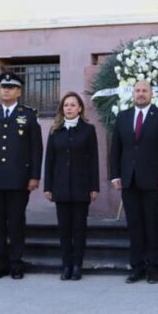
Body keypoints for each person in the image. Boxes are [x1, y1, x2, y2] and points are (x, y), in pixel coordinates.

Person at [0, 73, 43, 280]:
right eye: (3, 87)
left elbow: (36, 149)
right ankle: (0, 264)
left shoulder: (29, 115)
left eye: (11, 87)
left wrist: (34, 176)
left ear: (19, 92)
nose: (6, 90)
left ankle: (16, 263)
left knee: (15, 222)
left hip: (18, 179)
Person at [109, 80, 158, 284]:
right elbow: (116, 149)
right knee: (134, 225)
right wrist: (115, 174)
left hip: (153, 181)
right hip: (128, 180)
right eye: (137, 90)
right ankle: (136, 267)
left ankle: (153, 268)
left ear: (151, 94)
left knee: (152, 225)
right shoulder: (123, 116)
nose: (140, 94)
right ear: (132, 94)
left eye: (144, 91)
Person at [44, 92, 100, 281]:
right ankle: (66, 265)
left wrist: (94, 187)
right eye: (66, 105)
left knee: (79, 228)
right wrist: (48, 187)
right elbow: (49, 160)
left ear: (80, 108)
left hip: (81, 186)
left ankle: (77, 265)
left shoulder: (88, 130)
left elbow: (93, 160)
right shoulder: (55, 130)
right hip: (60, 187)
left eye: (72, 105)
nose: (68, 108)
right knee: (64, 229)